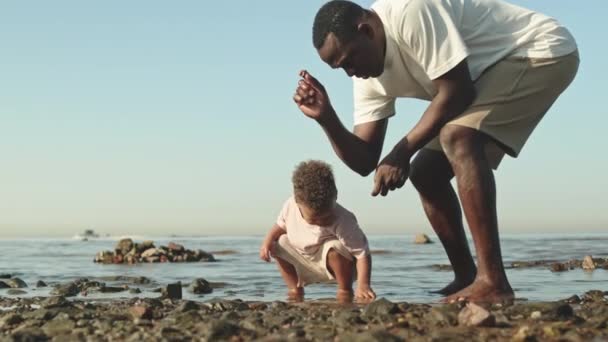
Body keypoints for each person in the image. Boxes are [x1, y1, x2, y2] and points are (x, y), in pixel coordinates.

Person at [293, 0, 579, 303]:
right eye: (341, 68)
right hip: (485, 75)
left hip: (539, 51)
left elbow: (458, 90)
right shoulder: (367, 75)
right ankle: (467, 277)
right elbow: (365, 160)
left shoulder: (409, 12)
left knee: (458, 137)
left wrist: (401, 151)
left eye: (350, 60)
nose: (351, 72)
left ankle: (493, 281)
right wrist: (327, 119)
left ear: (366, 30)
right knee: (426, 173)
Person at [260, 160, 376, 302]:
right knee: (278, 242)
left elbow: (362, 254)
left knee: (335, 246)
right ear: (298, 201)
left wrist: (363, 285)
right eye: (314, 219)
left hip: (336, 266)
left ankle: (344, 289)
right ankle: (294, 288)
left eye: (327, 216)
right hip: (303, 261)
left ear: (336, 196)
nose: (321, 222)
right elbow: (279, 226)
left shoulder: (343, 219)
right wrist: (267, 242)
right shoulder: (290, 205)